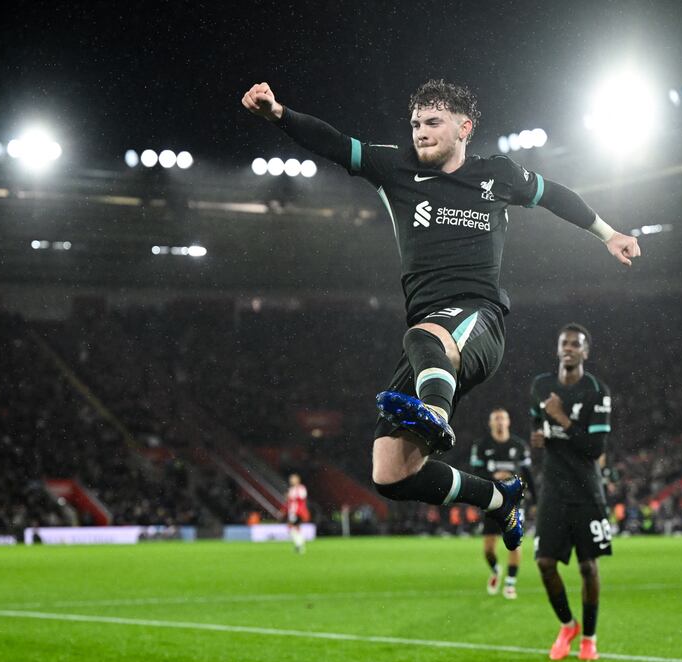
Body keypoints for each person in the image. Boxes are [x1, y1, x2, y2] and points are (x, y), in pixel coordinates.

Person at [241, 79, 640, 552]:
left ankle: (434, 412)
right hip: (431, 343)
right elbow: (332, 143)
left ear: (463, 128)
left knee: (423, 336)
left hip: (479, 321)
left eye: (433, 122)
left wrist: (608, 233)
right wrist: (279, 114)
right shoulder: (394, 168)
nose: (420, 133)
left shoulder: (499, 175)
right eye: (415, 124)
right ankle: (498, 497)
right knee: (390, 473)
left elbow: (555, 195)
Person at [530, 324, 613, 661]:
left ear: (585, 352)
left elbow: (595, 448)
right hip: (551, 486)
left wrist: (561, 418)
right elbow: (538, 423)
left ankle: (589, 638)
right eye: (563, 343)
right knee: (545, 563)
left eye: (575, 344)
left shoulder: (597, 391)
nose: (568, 348)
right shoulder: (540, 386)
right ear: (557, 349)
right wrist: (540, 435)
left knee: (588, 568)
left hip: (585, 488)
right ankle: (568, 624)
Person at [468, 407, 535, 599]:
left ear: (508, 422)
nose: (499, 422)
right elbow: (475, 473)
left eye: (502, 419)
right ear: (490, 423)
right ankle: (496, 570)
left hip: (513, 501)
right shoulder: (481, 446)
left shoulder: (519, 446)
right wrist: (493, 476)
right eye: (496, 419)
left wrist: (536, 500)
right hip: (491, 500)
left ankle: (510, 583)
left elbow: (528, 473)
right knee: (489, 548)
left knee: (515, 543)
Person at [285, 473, 310, 553]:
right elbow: (289, 501)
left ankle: (300, 544)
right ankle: (299, 545)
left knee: (291, 527)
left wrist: (292, 497)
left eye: (293, 478)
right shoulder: (292, 489)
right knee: (294, 528)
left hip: (298, 511)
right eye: (291, 479)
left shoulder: (301, 488)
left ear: (297, 480)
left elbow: (302, 498)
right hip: (293, 511)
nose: (291, 480)